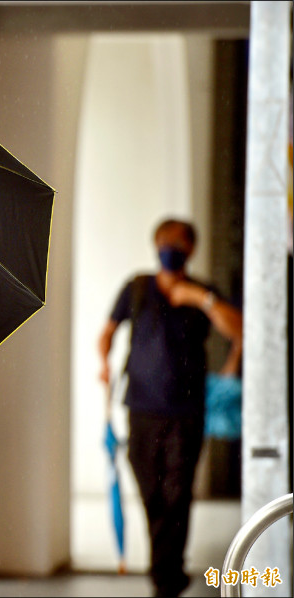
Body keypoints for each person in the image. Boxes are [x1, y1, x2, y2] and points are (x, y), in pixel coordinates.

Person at [97, 218, 242, 598]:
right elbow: (108, 330)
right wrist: (103, 362)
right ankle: (169, 572)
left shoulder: (203, 291)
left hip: (186, 411)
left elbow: (239, 330)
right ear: (154, 244)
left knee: (177, 492)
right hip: (141, 407)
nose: (169, 247)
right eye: (164, 240)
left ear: (190, 249)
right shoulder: (138, 287)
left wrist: (200, 300)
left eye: (177, 242)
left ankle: (165, 579)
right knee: (151, 491)